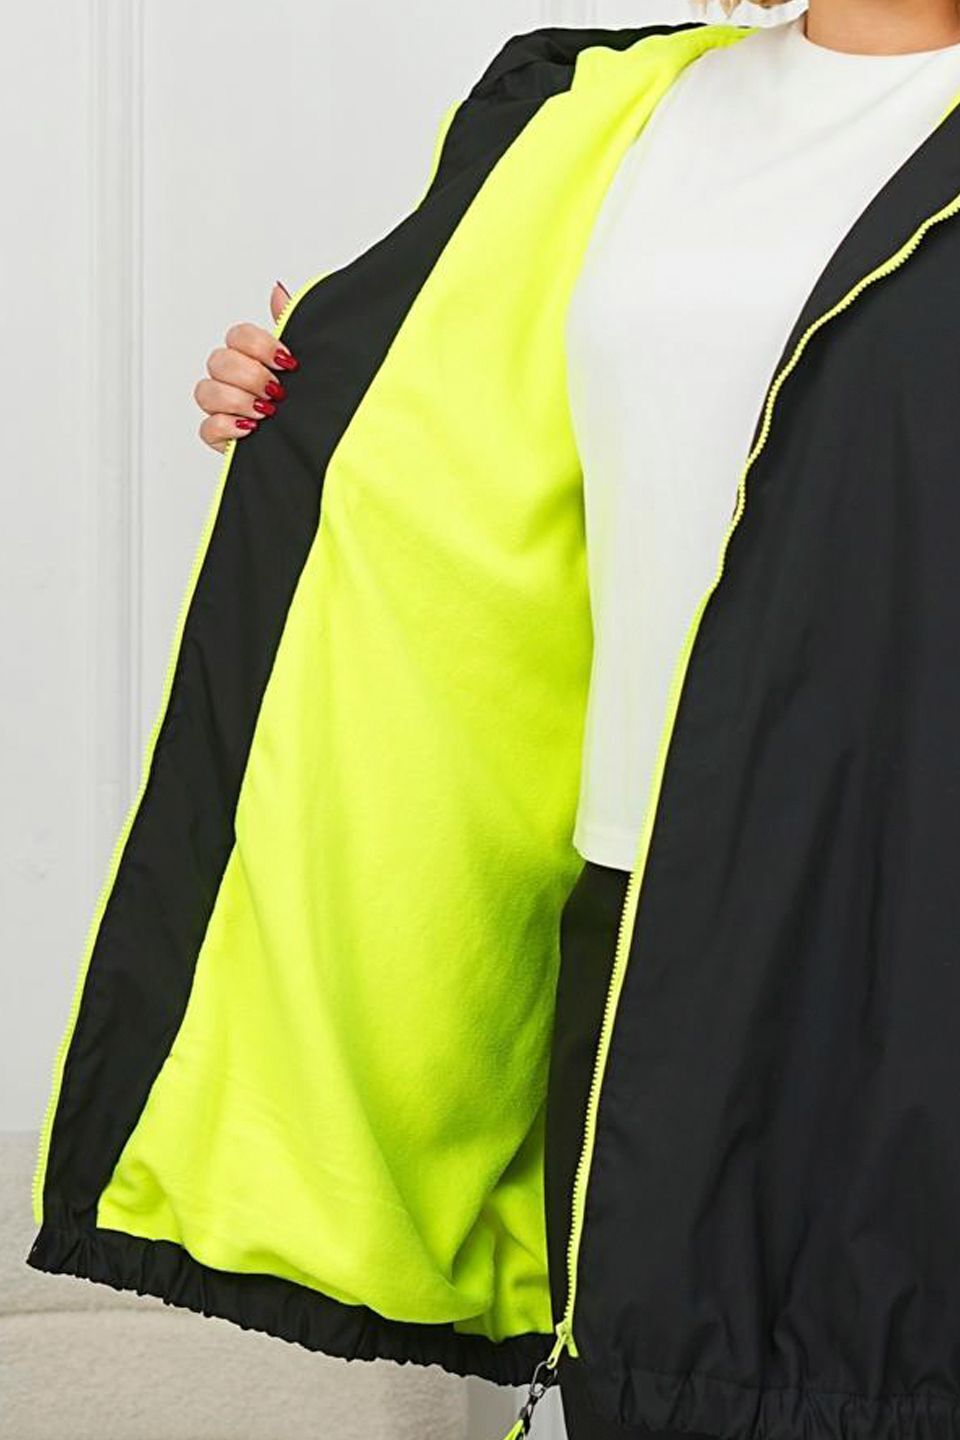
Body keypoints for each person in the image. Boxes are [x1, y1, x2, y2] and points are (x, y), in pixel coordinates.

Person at [28, 4, 960, 1440]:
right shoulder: (603, 105)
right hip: (630, 907)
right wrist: (312, 406)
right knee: (658, 1386)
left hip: (897, 915)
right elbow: (473, 436)